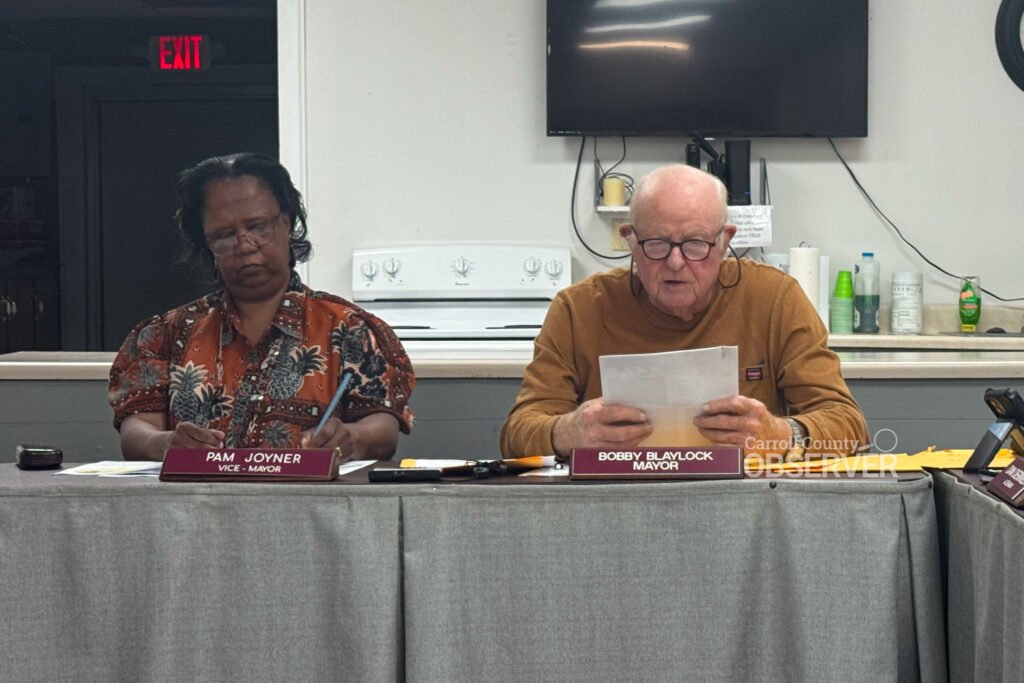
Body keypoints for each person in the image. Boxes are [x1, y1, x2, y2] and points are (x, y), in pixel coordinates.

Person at [500, 164, 868, 459]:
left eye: (695, 244)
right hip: (614, 505)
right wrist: (567, 432)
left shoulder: (775, 299)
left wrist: (780, 434)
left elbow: (849, 426)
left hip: (742, 507)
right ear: (630, 240)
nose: (676, 263)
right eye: (656, 244)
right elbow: (517, 434)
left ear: (725, 241)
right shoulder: (578, 310)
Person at [108, 153, 414, 461]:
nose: (244, 245)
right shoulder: (163, 336)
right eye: (224, 235)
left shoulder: (352, 329)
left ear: (286, 221)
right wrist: (163, 444)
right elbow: (137, 431)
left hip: (313, 505)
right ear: (206, 243)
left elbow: (383, 427)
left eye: (257, 227)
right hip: (194, 505)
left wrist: (353, 438)